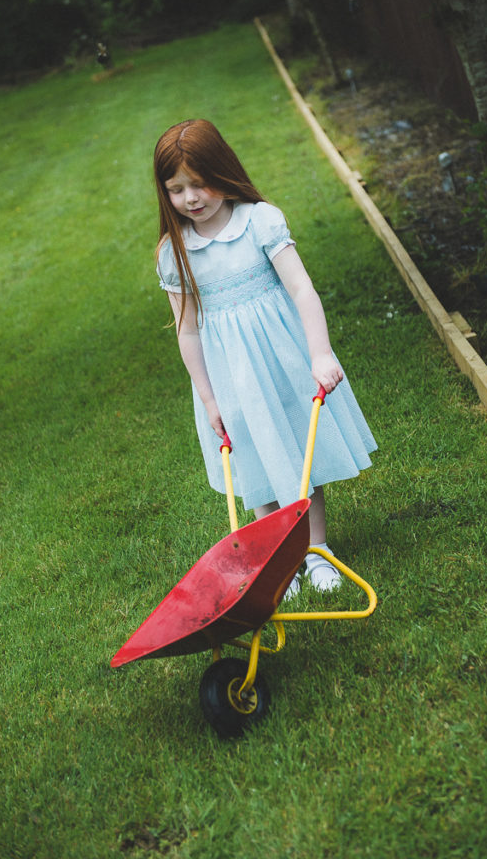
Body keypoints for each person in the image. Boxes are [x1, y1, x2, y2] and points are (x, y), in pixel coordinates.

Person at [154, 119, 376, 596]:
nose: (191, 197)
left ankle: (316, 551)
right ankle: (277, 560)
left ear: (223, 171)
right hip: (230, 376)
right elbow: (187, 331)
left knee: (300, 452)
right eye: (177, 189)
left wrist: (320, 354)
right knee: (255, 458)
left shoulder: (259, 221)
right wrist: (209, 398)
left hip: (282, 359)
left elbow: (301, 288)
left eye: (200, 183)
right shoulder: (175, 252)